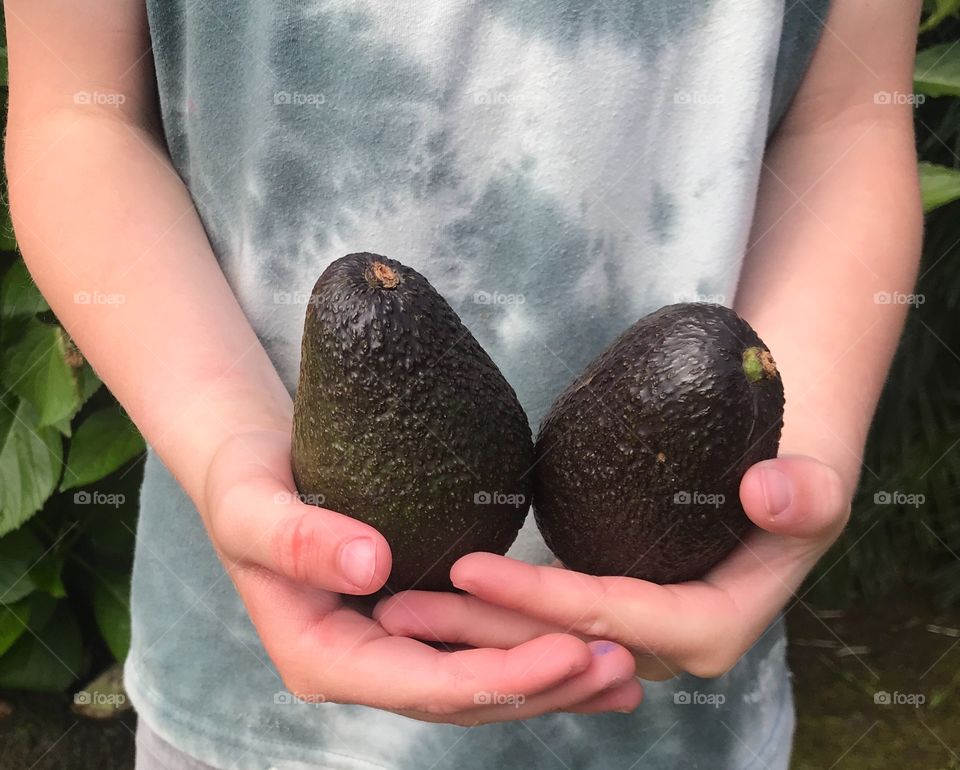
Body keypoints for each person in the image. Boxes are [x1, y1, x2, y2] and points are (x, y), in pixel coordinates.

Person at [5, 0, 923, 767]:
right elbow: (81, 116)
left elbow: (844, 117)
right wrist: (223, 446)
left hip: (683, 699)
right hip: (248, 688)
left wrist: (806, 453)